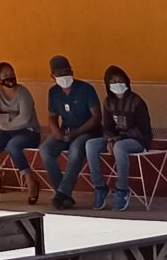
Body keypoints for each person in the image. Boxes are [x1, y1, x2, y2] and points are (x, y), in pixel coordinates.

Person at [87, 65, 155, 210]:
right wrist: (110, 139)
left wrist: (117, 139)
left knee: (119, 147)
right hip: (115, 139)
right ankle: (100, 187)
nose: (117, 84)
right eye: (112, 81)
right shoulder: (108, 102)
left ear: (126, 82)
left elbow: (143, 129)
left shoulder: (136, 101)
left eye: (120, 80)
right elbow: (108, 127)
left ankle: (122, 189)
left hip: (138, 140)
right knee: (91, 145)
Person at [39, 56, 100, 209]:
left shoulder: (86, 89)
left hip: (88, 131)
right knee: (45, 150)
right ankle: (63, 193)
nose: (63, 77)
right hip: (66, 130)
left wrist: (77, 132)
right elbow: (52, 116)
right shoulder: (53, 92)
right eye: (58, 74)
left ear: (71, 71)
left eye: (66, 72)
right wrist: (55, 131)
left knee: (75, 150)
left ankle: (61, 194)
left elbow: (96, 117)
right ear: (52, 76)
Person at [0, 61, 39, 201]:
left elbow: (24, 118)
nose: (10, 78)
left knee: (13, 145)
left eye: (12, 74)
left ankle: (30, 181)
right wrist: (11, 116)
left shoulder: (23, 92)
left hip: (28, 131)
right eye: (5, 75)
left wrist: (5, 121)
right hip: (6, 132)